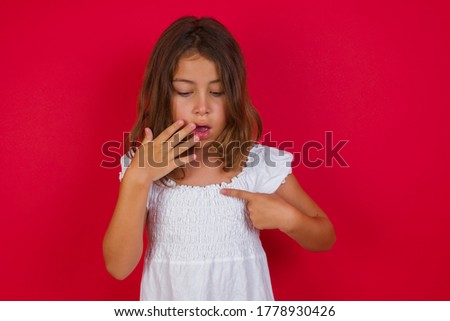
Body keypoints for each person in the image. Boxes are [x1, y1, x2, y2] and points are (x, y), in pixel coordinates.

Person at [103, 16, 336, 301]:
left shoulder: (257, 163)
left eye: (217, 92)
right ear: (163, 94)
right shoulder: (142, 168)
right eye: (185, 92)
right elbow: (118, 267)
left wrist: (289, 218)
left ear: (234, 96)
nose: (202, 107)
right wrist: (138, 178)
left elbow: (324, 237)